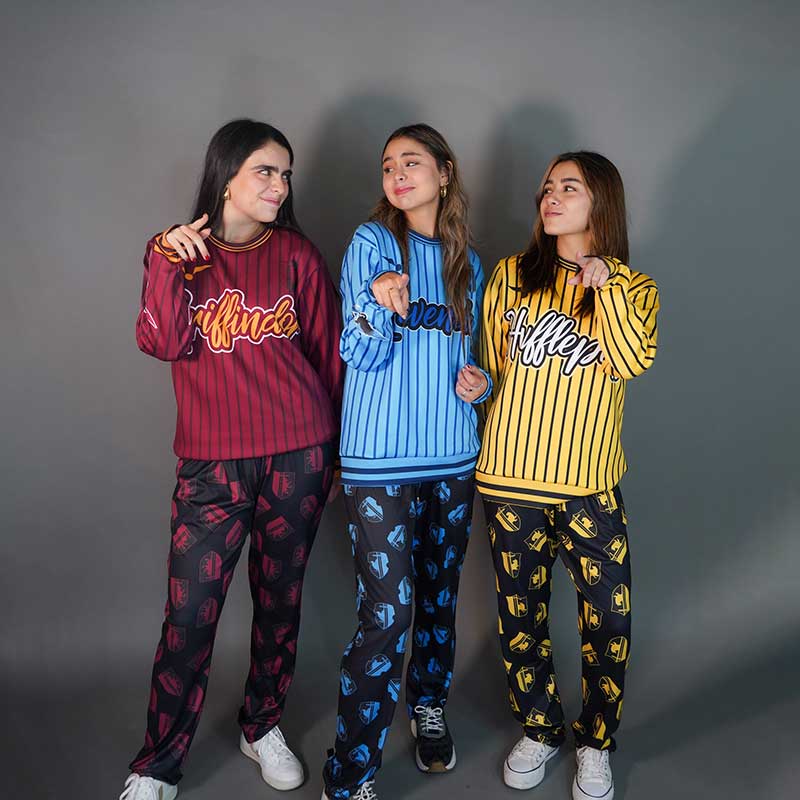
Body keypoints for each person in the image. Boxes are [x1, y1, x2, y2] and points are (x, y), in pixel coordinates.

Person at [120, 119, 344, 800]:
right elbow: (160, 342)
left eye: (286, 174)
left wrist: (337, 456)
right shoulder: (176, 255)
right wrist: (166, 262)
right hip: (212, 468)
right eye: (265, 171)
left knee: (280, 601)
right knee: (189, 616)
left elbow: (330, 359)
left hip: (299, 456)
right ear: (225, 177)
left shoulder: (298, 256)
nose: (280, 186)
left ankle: (262, 724)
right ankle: (157, 763)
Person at [476, 152, 659, 800]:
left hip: (589, 487)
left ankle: (596, 743)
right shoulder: (509, 276)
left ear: (600, 201)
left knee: (608, 624)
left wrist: (604, 286)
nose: (550, 196)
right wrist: (476, 387)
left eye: (568, 187)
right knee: (519, 620)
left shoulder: (634, 288)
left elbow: (630, 360)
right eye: (548, 187)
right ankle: (540, 729)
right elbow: (491, 372)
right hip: (510, 483)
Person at [321, 124, 491, 800]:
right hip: (378, 461)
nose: (397, 173)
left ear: (444, 173)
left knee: (439, 597)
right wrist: (378, 301)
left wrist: (479, 384)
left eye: (411, 162)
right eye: (388, 164)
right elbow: (358, 352)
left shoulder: (467, 263)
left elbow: (474, 360)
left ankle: (429, 705)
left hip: (452, 456)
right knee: (388, 612)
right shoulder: (372, 244)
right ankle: (350, 772)